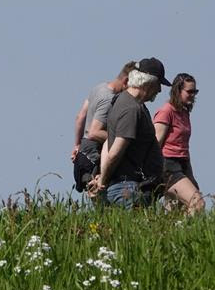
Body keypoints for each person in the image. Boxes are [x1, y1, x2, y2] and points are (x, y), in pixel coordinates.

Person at [89, 58, 169, 209]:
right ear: (149, 83)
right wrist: (103, 182)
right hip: (128, 189)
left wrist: (103, 177)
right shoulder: (132, 109)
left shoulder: (122, 101)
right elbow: (115, 152)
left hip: (125, 186)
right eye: (159, 84)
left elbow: (108, 142)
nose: (159, 90)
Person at [70, 61, 135, 192]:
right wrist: (121, 139)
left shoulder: (100, 87)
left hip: (84, 149)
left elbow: (80, 117)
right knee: (99, 194)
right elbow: (94, 132)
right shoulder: (108, 99)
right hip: (93, 153)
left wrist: (77, 145)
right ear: (126, 80)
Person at [153, 73, 205, 214]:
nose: (193, 95)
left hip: (182, 164)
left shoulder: (184, 112)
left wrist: (190, 174)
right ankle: (188, 233)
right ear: (178, 90)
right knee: (197, 203)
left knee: (176, 212)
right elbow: (155, 143)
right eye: (189, 92)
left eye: (195, 92)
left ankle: (171, 234)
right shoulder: (166, 111)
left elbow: (183, 146)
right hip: (167, 164)